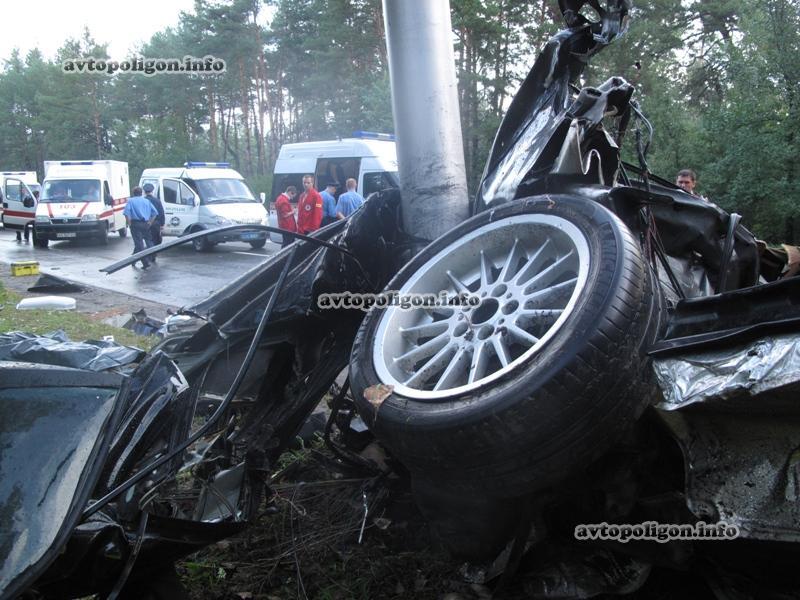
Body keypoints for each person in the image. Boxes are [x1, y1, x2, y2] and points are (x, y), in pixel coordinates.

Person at [123, 186, 158, 269]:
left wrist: (129, 223)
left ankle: (145, 262)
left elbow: (126, 213)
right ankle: (153, 253)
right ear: (141, 193)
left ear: (133, 193)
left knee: (139, 243)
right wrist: (150, 222)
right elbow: (155, 213)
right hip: (146, 224)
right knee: (148, 241)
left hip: (136, 224)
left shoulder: (130, 201)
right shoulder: (146, 201)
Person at [143, 183, 165, 251]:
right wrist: (162, 224)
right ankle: (153, 254)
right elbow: (161, 213)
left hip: (146, 223)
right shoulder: (157, 201)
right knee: (155, 239)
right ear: (152, 191)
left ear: (144, 191)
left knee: (148, 240)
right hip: (156, 223)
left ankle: (150, 254)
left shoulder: (143, 201)